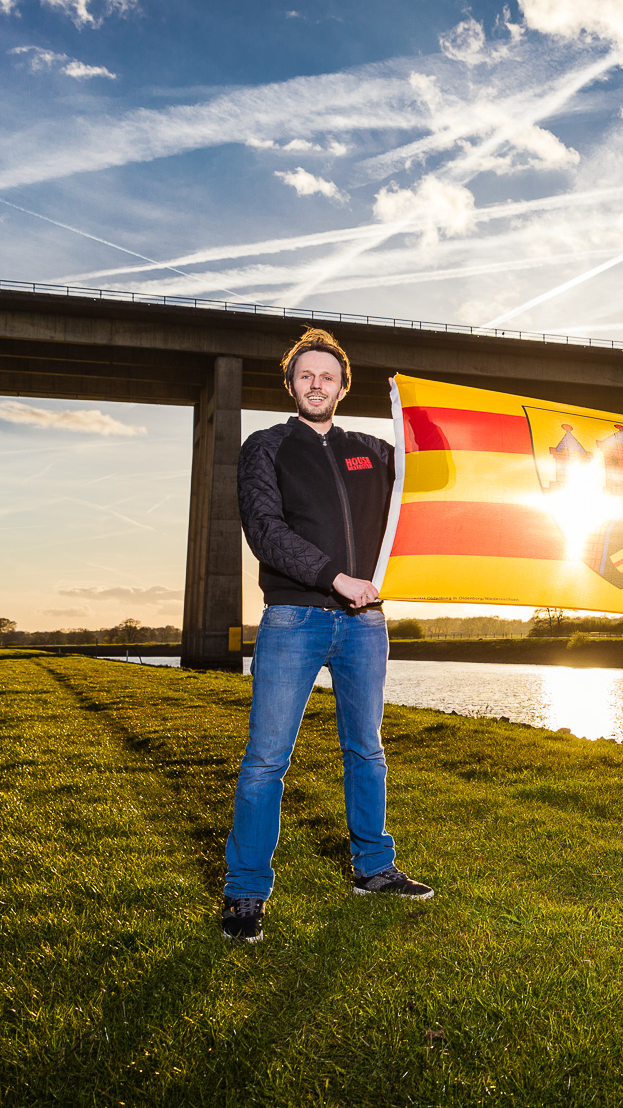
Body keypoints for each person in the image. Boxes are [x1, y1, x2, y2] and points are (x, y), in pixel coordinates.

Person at [219, 328, 432, 943]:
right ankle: (245, 892)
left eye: (328, 376)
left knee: (367, 750)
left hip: (366, 625)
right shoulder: (266, 447)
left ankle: (374, 868)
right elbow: (264, 529)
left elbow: (428, 486)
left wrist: (428, 415)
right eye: (306, 375)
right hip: (294, 619)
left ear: (343, 387)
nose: (317, 384)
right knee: (266, 759)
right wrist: (334, 578)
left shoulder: (371, 450)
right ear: (291, 385)